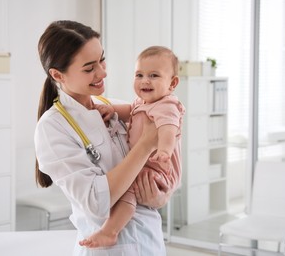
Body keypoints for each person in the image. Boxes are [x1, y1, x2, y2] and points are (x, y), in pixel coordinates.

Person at [34, 20, 174, 256]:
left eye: (102, 60)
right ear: (58, 75)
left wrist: (160, 196)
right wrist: (146, 144)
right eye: (89, 68)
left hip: (150, 241)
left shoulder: (113, 108)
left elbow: (157, 168)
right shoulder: (52, 127)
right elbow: (96, 202)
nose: (102, 72)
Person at [80, 46, 185, 248]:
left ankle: (110, 231)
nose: (145, 80)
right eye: (139, 74)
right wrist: (112, 110)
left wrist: (164, 150)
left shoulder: (167, 106)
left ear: (172, 83)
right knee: (129, 184)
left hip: (158, 168)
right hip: (149, 166)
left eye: (154, 75)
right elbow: (130, 110)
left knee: (128, 187)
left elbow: (168, 130)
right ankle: (111, 229)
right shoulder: (143, 102)